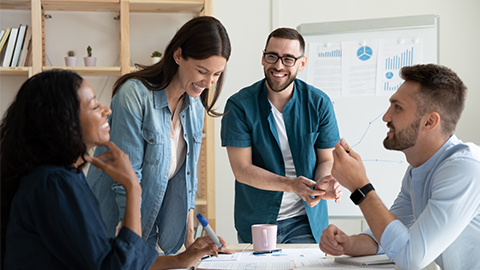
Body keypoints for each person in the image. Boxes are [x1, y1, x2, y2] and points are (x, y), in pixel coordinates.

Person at [1, 70, 231, 269]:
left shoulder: (59, 178)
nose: (106, 110)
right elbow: (115, 266)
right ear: (64, 122)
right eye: (93, 106)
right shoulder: (54, 184)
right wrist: (132, 187)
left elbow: (108, 255)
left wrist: (181, 260)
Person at [86, 16, 231, 254]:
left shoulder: (194, 106)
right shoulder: (134, 96)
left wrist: (191, 244)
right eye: (202, 71)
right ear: (178, 55)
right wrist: (130, 245)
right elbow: (127, 179)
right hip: (110, 229)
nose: (208, 83)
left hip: (146, 229)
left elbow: (188, 179)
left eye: (216, 75)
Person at [320, 64, 480, 270]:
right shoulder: (419, 170)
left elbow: (410, 258)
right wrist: (349, 244)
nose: (386, 117)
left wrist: (360, 186)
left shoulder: (464, 170)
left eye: (397, 107)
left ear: (429, 121)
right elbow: (390, 235)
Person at [220, 27, 342, 244]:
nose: (278, 65)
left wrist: (322, 183)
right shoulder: (239, 105)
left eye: (288, 59)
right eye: (272, 56)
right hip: (258, 222)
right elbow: (242, 171)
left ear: (301, 64)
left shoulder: (319, 103)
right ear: (263, 58)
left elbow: (326, 159)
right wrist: (291, 185)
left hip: (306, 220)